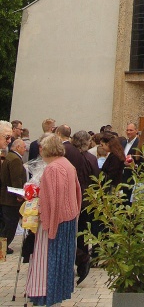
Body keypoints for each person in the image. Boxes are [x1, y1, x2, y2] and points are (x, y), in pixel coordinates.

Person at [25, 134, 81, 307]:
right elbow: (78, 193)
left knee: (48, 260)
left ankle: (45, 295)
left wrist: (49, 225)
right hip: (68, 218)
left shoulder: (52, 168)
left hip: (55, 220)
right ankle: (55, 294)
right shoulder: (67, 164)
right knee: (62, 260)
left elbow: (52, 200)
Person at [70, 130, 99, 285]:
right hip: (86, 198)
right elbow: (96, 177)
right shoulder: (90, 158)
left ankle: (81, 259)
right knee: (82, 232)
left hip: (74, 197)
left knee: (73, 231)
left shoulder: (71, 157)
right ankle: (82, 261)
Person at [0, 137, 26, 252]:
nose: (25, 149)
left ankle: (3, 247)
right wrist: (19, 195)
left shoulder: (10, 157)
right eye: (24, 147)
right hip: (11, 199)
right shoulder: (15, 159)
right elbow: (16, 179)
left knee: (6, 224)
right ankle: (2, 248)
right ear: (18, 147)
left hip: (6, 196)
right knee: (10, 225)